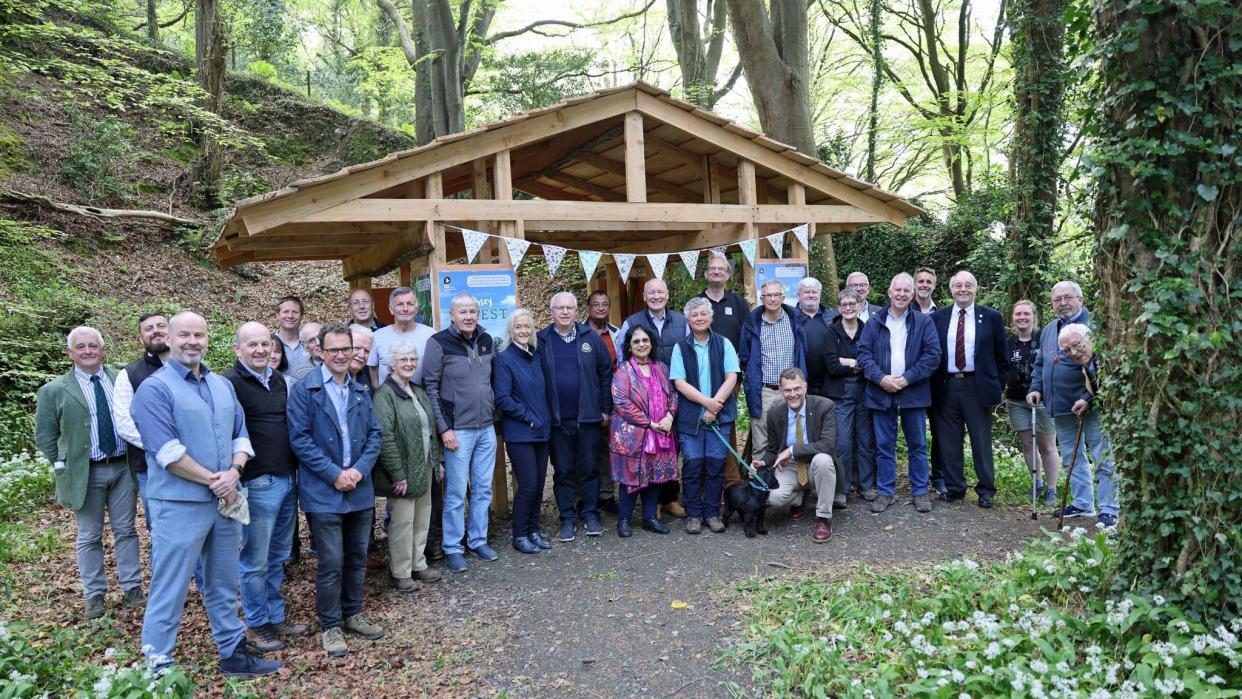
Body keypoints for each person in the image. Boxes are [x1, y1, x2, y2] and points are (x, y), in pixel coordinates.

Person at [130, 312, 279, 677]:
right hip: (180, 506)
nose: (192, 341)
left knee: (224, 582)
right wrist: (216, 479)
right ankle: (157, 666)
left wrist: (234, 472)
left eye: (199, 335)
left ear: (208, 339)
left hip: (227, 502)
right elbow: (166, 452)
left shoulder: (221, 385)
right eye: (184, 335)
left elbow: (240, 436)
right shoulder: (154, 388)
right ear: (170, 338)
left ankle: (233, 655)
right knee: (171, 586)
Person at [287, 324, 385, 657]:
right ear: (321, 353)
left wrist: (358, 470)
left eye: (346, 348)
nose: (342, 355)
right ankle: (331, 625)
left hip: (359, 488)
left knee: (357, 556)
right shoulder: (305, 390)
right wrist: (334, 474)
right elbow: (299, 439)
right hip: (324, 491)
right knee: (331, 560)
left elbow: (375, 436)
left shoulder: (359, 390)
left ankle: (353, 612)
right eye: (334, 350)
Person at [36, 326, 144, 620]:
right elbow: (45, 435)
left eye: (92, 346)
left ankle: (132, 587)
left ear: (102, 349)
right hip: (86, 473)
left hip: (122, 468)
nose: (87, 351)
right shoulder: (55, 390)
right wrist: (61, 464)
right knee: (89, 536)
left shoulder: (119, 378)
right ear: (71, 353)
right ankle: (94, 594)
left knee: (126, 530)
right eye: (80, 347)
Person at [223, 322, 308, 654]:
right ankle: (257, 623)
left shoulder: (276, 381)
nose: (260, 350)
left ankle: (275, 615)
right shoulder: (230, 384)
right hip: (258, 482)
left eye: (265, 345)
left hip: (287, 479)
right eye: (252, 345)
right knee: (255, 559)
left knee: (278, 556)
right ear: (238, 349)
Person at [1026, 282, 1119, 528]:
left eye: (1068, 297)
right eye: (1057, 300)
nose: (1063, 303)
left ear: (1080, 299)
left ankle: (1110, 508)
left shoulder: (1096, 325)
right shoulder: (1048, 330)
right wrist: (1036, 388)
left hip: (1092, 405)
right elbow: (1040, 364)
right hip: (1060, 406)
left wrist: (1087, 397)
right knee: (1071, 456)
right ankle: (1082, 503)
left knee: (1102, 456)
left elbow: (1105, 366)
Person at [422, 292, 498, 573]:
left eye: (472, 311)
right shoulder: (438, 343)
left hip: (486, 427)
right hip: (457, 431)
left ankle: (478, 539)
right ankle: (453, 546)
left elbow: (493, 379)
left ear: (478, 314)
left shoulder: (487, 340)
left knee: (482, 490)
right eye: (462, 312)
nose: (468, 316)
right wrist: (444, 429)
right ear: (452, 315)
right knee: (455, 493)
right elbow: (430, 387)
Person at [857, 273, 941, 514]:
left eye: (907, 291)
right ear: (889, 292)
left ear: (912, 295)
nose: (902, 294)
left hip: (913, 393)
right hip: (880, 393)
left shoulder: (924, 322)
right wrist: (881, 378)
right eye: (898, 290)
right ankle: (885, 492)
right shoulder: (874, 322)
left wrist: (907, 379)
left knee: (917, 445)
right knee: (884, 446)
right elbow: (864, 355)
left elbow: (932, 355)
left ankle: (920, 492)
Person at [930, 271, 1009, 508]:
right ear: (951, 290)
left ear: (976, 289)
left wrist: (995, 386)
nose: (963, 289)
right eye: (958, 286)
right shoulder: (939, 317)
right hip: (946, 385)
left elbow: (1002, 358)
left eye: (968, 285)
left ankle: (986, 489)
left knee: (980, 440)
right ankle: (955, 487)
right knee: (949, 441)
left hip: (977, 386)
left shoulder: (991, 317)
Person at [538, 292, 613, 542]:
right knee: (563, 471)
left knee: (590, 469)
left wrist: (605, 408)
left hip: (588, 419)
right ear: (551, 312)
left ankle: (590, 514)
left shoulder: (590, 337)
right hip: (557, 421)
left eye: (570, 307)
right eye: (560, 308)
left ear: (576, 310)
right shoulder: (541, 340)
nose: (565, 312)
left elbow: (605, 373)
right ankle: (568, 518)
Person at [372, 341, 442, 590]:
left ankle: (418, 564)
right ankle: (400, 571)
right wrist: (397, 474)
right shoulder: (384, 395)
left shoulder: (418, 391)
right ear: (392, 363)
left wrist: (437, 461)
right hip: (402, 470)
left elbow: (431, 430)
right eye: (404, 360)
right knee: (402, 521)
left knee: (423, 517)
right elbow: (385, 438)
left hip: (425, 465)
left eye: (413, 359)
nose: (409, 364)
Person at [618, 278, 688, 518]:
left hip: (672, 396)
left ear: (667, 295)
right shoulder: (632, 323)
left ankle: (668, 499)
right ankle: (651, 506)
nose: (656, 296)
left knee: (670, 451)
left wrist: (671, 411)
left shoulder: (681, 320)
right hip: (640, 406)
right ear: (645, 297)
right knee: (642, 457)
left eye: (661, 292)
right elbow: (621, 358)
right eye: (651, 293)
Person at [669, 297, 739, 534]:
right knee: (692, 467)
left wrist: (715, 406)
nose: (699, 318)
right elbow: (679, 382)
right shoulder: (681, 347)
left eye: (703, 314)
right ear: (688, 319)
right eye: (694, 315)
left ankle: (711, 512)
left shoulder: (724, 344)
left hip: (720, 417)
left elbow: (732, 377)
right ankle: (693, 514)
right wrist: (706, 403)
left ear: (711, 317)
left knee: (715, 466)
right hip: (691, 418)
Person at [752, 368, 838, 543]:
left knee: (824, 460)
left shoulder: (825, 406)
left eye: (796, 388)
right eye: (787, 390)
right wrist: (761, 463)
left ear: (805, 387)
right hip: (789, 467)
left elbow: (827, 445)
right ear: (780, 391)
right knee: (774, 498)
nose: (793, 394)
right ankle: (798, 499)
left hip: (815, 465)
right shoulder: (775, 414)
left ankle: (823, 519)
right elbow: (772, 449)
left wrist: (791, 450)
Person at [493, 310, 554, 554]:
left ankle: (533, 530)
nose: (523, 331)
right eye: (518, 327)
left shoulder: (536, 356)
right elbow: (503, 398)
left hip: (542, 430)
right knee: (527, 484)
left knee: (539, 484)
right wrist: (528, 418)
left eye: (527, 327)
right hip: (521, 432)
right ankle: (519, 534)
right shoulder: (505, 359)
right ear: (511, 331)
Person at [609, 326, 679, 537]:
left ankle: (649, 518)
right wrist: (649, 423)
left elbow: (674, 394)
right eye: (636, 341)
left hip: (661, 433)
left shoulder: (662, 368)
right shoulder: (623, 371)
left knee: (656, 476)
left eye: (645, 340)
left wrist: (669, 416)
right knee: (631, 477)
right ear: (629, 346)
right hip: (634, 435)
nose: (641, 344)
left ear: (651, 343)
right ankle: (624, 520)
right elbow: (621, 402)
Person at [739, 280, 808, 464]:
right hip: (764, 391)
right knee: (761, 441)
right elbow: (745, 358)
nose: (772, 299)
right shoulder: (752, 323)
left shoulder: (795, 320)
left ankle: (791, 483)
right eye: (768, 295)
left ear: (783, 297)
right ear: (762, 298)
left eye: (776, 295)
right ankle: (761, 487)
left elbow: (802, 351)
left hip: (791, 390)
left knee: (794, 435)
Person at [112, 312, 169, 527]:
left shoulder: (192, 366)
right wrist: (163, 447)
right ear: (141, 339)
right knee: (160, 527)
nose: (156, 330)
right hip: (150, 468)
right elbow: (125, 424)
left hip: (196, 463)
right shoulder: (130, 374)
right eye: (148, 328)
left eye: (161, 325)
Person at [1005, 300, 1060, 506]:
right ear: (1013, 317)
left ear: (1033, 316)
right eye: (1018, 314)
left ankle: (1052, 489)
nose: (1022, 317)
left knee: (1047, 446)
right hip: (1016, 399)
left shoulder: (1044, 337)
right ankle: (1036, 483)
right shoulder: (1009, 342)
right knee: (1028, 444)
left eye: (1026, 314)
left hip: (1043, 399)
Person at [823, 289, 875, 504]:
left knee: (865, 441)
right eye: (844, 304)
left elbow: (871, 361)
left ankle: (865, 486)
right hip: (840, 392)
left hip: (865, 392)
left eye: (852, 304)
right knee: (843, 443)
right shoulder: (832, 332)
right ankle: (842, 489)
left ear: (860, 306)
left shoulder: (868, 330)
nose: (848, 308)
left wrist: (849, 362)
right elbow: (832, 366)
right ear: (838, 308)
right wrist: (856, 364)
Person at [585, 289, 621, 514]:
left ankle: (607, 494)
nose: (600, 308)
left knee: (609, 450)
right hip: (587, 400)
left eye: (604, 304)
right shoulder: (579, 333)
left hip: (615, 400)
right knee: (587, 449)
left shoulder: (617, 334)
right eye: (596, 304)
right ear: (588, 308)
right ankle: (586, 497)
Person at [369, 287, 435, 387]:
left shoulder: (430, 334)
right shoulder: (377, 336)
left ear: (416, 309)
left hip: (421, 398)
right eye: (400, 304)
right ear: (391, 309)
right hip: (388, 400)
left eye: (410, 304)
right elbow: (373, 370)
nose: (405, 309)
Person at [794, 277, 840, 398]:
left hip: (829, 383)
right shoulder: (790, 318)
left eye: (814, 292)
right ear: (798, 295)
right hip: (800, 383)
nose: (811, 295)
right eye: (806, 292)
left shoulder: (834, 317)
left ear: (819, 294)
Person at [696, 252, 750, 350]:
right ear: (706, 274)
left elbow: (748, 336)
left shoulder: (739, 303)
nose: (716, 272)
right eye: (712, 268)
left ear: (727, 275)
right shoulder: (695, 303)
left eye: (721, 269)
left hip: (734, 362)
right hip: (704, 362)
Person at [275, 296, 310, 374]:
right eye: (286, 312)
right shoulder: (269, 344)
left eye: (295, 312)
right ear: (277, 315)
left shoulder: (311, 343)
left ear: (301, 316)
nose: (290, 316)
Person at [348, 325, 374, 391]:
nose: (362, 355)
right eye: (357, 348)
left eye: (367, 351)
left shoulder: (365, 376)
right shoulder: (335, 379)